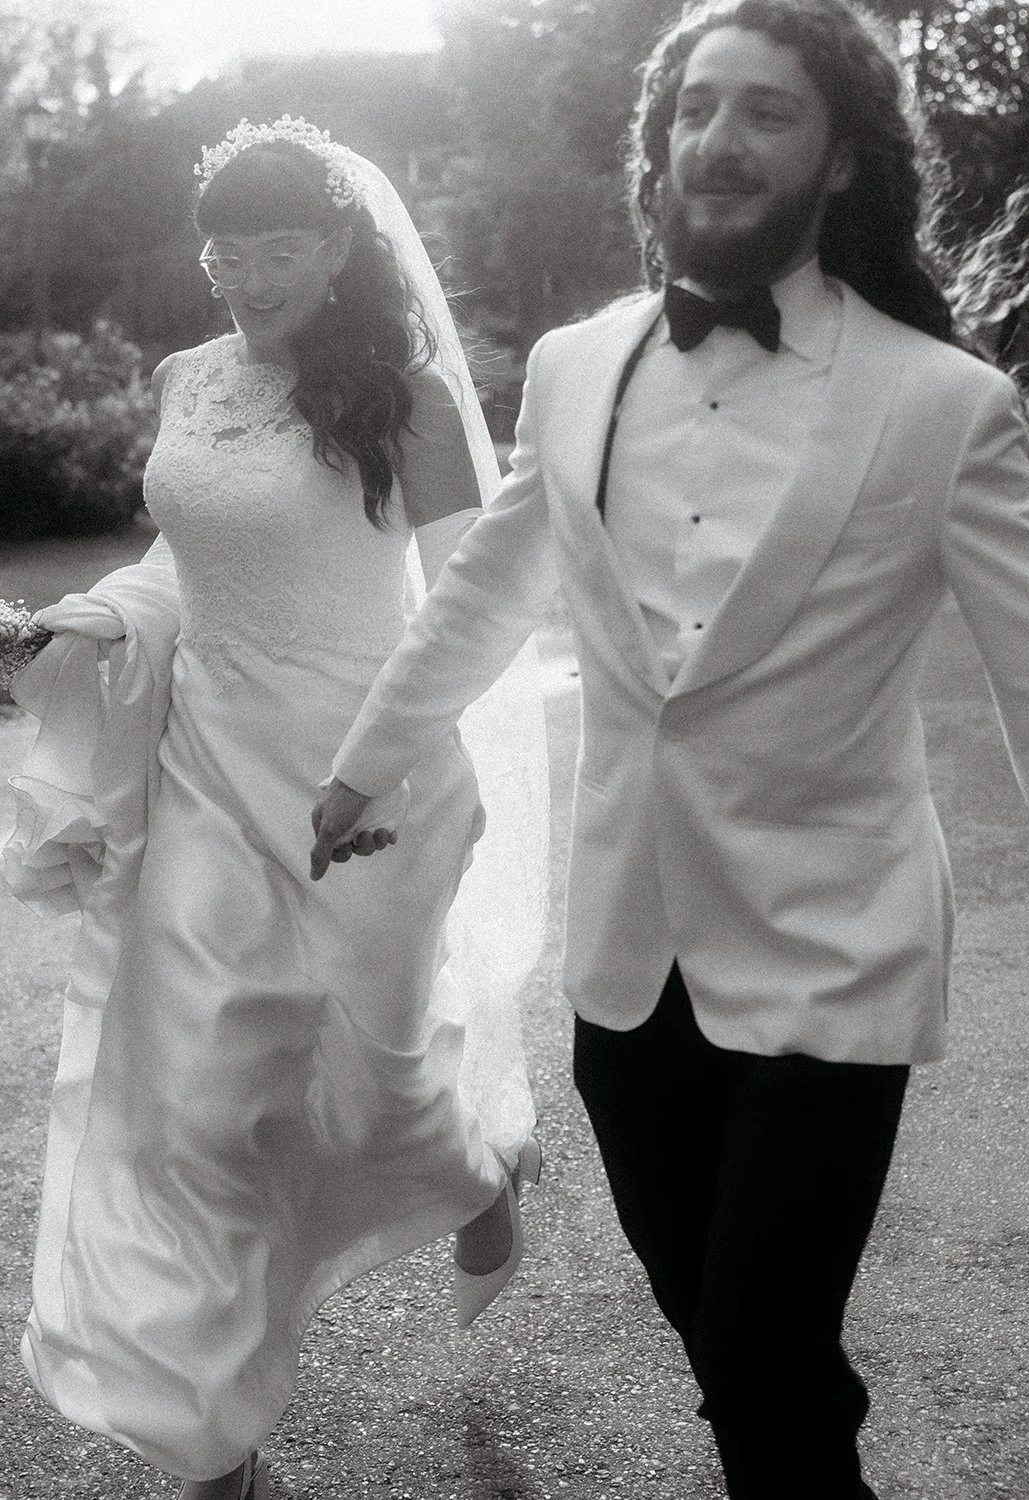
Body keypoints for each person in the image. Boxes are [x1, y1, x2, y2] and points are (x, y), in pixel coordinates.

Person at [309, 3, 1029, 1497]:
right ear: (657, 142)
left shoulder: (944, 407)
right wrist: (366, 761)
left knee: (757, 1351)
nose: (722, 137)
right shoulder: (572, 367)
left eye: (768, 111)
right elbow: (488, 588)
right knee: (748, 1367)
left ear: (838, 164)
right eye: (698, 106)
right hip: (629, 975)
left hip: (836, 960)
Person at [3, 118, 547, 1500]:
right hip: (206, 777)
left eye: (279, 244)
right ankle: (219, 1440)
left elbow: (480, 604)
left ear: (339, 244)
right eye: (223, 246)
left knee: (370, 1099)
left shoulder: (406, 397)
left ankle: (477, 1178)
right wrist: (85, 621)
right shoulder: (191, 378)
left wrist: (393, 760)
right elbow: (188, 566)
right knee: (195, 1105)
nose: (245, 272)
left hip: (375, 779)